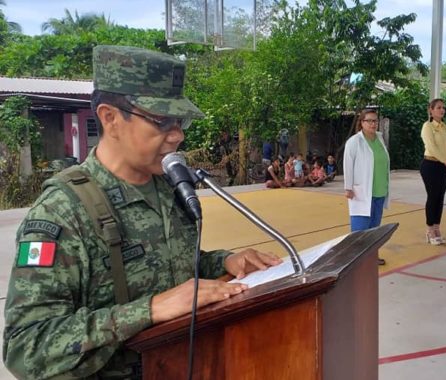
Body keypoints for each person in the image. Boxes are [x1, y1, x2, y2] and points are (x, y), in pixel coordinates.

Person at [2, 46, 283, 379]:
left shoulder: (168, 185)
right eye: (161, 121)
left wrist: (223, 261)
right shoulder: (61, 211)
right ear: (110, 118)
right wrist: (148, 310)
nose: (177, 135)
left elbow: (169, 263)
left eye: (180, 121)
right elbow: (26, 348)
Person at [343, 109, 390, 265]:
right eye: (369, 120)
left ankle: (371, 256)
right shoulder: (354, 141)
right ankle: (355, 259)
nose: (372, 124)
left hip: (379, 190)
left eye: (375, 121)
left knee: (374, 227)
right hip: (361, 192)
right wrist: (348, 187)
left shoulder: (380, 139)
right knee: (360, 228)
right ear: (361, 123)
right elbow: (348, 165)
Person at [420, 98, 446, 245]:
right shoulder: (427, 126)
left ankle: (437, 227)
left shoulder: (444, 127)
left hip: (443, 166)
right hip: (430, 164)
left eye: (443, 108)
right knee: (433, 196)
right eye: (439, 107)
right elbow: (431, 146)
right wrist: (444, 160)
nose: (442, 110)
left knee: (440, 197)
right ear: (431, 110)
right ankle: (429, 230)